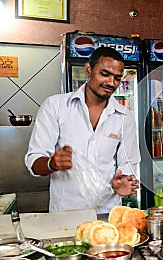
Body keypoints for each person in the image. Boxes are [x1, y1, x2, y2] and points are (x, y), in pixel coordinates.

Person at [25, 47, 141, 213]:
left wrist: (123, 182)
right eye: (105, 74)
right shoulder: (55, 106)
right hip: (65, 213)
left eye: (117, 78)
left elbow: (129, 163)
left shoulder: (125, 117)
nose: (111, 83)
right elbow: (35, 162)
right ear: (89, 70)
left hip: (107, 213)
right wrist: (52, 163)